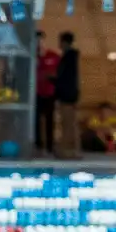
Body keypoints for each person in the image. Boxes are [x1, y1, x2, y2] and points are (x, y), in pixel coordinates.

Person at [51, 30, 81, 160]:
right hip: (70, 93)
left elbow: (65, 78)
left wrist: (52, 79)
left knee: (67, 123)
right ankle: (72, 149)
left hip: (67, 95)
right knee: (70, 123)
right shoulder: (70, 57)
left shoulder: (68, 58)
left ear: (64, 42)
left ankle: (69, 150)